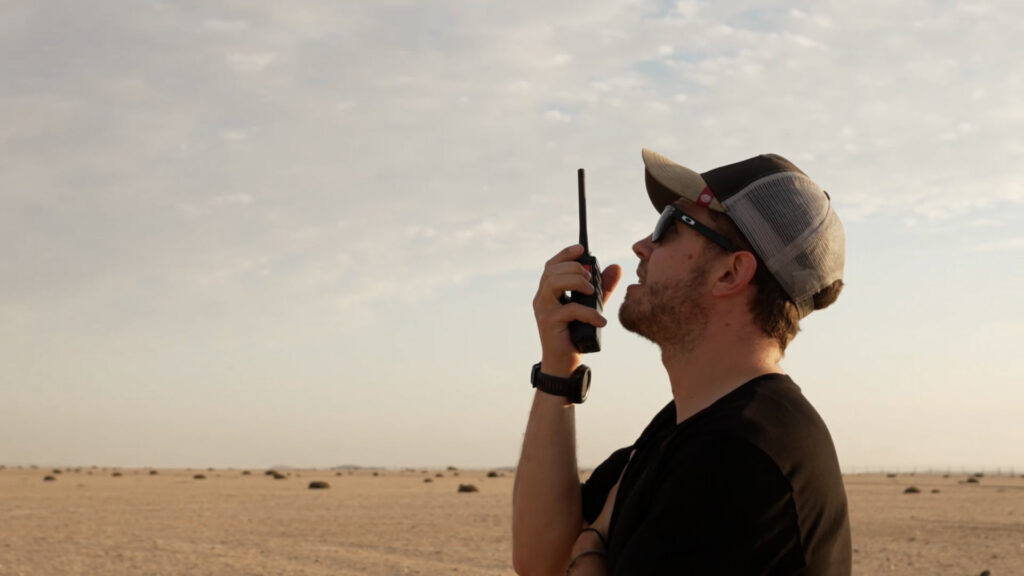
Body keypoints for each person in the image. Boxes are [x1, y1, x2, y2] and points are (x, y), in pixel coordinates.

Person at [512, 149, 852, 575]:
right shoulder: (682, 427)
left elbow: (562, 559)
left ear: (731, 273)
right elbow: (540, 560)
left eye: (670, 225)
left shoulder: (740, 457)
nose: (641, 245)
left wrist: (590, 542)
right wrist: (558, 368)